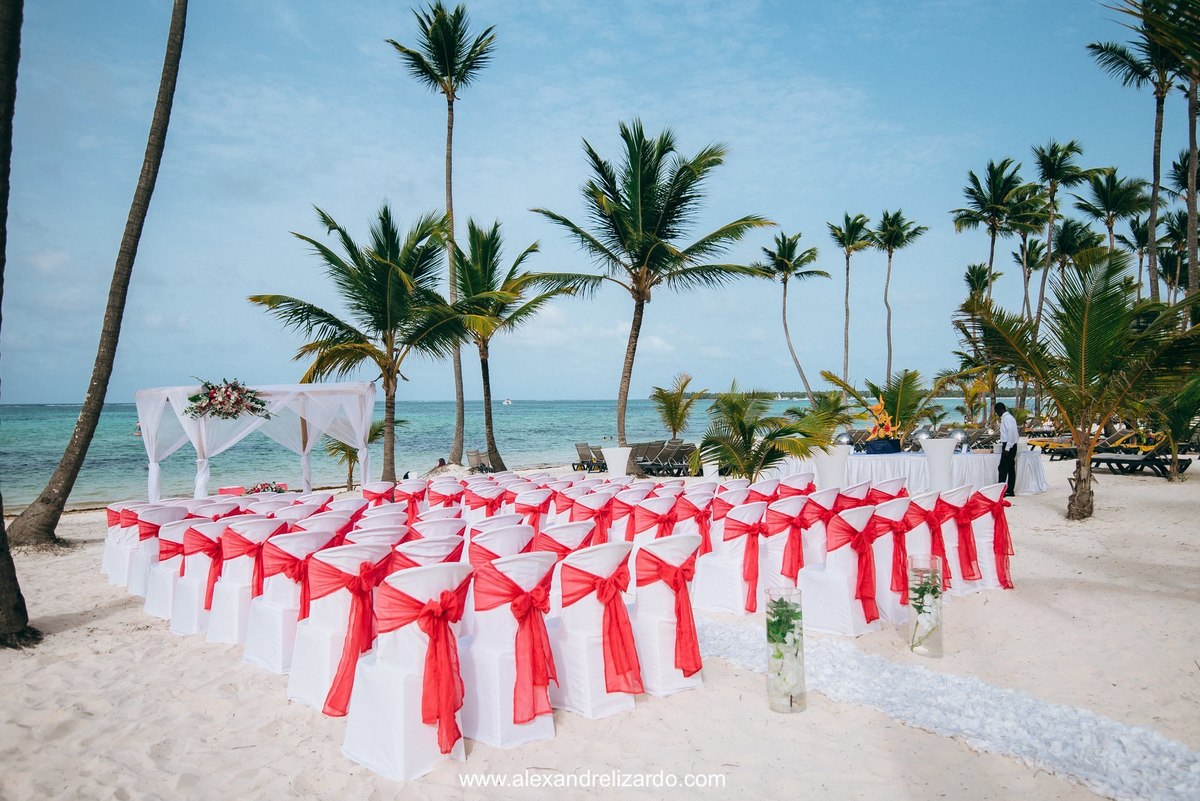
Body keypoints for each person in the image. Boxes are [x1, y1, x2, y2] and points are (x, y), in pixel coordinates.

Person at [995, 402, 1019, 497]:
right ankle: (1010, 490)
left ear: (1000, 410)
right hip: (1011, 444)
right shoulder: (1008, 418)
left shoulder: (1007, 418)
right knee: (1010, 469)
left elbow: (1011, 433)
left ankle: (1001, 491)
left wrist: (1007, 447)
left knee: (1002, 468)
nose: (997, 414)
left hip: (1009, 445)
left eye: (996, 411)